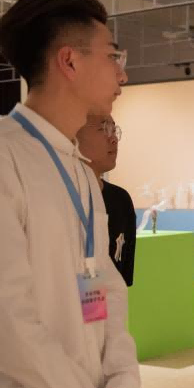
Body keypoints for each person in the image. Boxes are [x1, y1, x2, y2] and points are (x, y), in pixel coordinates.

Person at [0, 0, 140, 388]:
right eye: (112, 55)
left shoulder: (80, 171)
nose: (121, 74)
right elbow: (2, 316)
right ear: (69, 61)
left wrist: (121, 387)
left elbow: (105, 287)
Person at [76, 114, 137, 286]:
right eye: (104, 129)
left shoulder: (121, 200)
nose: (114, 139)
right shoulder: (61, 199)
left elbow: (123, 279)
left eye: (114, 130)